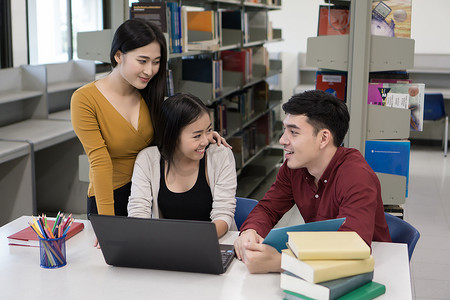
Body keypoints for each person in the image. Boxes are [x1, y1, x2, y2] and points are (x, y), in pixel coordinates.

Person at [71, 19, 227, 245]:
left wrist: (202, 135)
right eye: (142, 61)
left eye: (156, 62)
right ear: (118, 55)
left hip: (149, 190)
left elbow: (171, 133)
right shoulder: (85, 99)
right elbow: (99, 162)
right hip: (110, 196)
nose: (150, 70)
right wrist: (107, 222)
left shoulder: (149, 93)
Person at [233, 90, 391, 273]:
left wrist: (281, 263)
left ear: (323, 138)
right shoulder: (294, 168)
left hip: (374, 270)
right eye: (285, 130)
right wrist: (249, 232)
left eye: (293, 132)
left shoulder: (357, 177)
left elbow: (354, 248)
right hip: (316, 262)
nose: (282, 140)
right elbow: (268, 208)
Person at [127, 93, 237, 237]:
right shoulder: (148, 160)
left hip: (213, 241)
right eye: (197, 135)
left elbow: (223, 213)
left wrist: (191, 241)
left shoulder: (220, 155)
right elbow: (138, 212)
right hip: (167, 245)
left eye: (208, 130)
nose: (205, 141)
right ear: (172, 136)